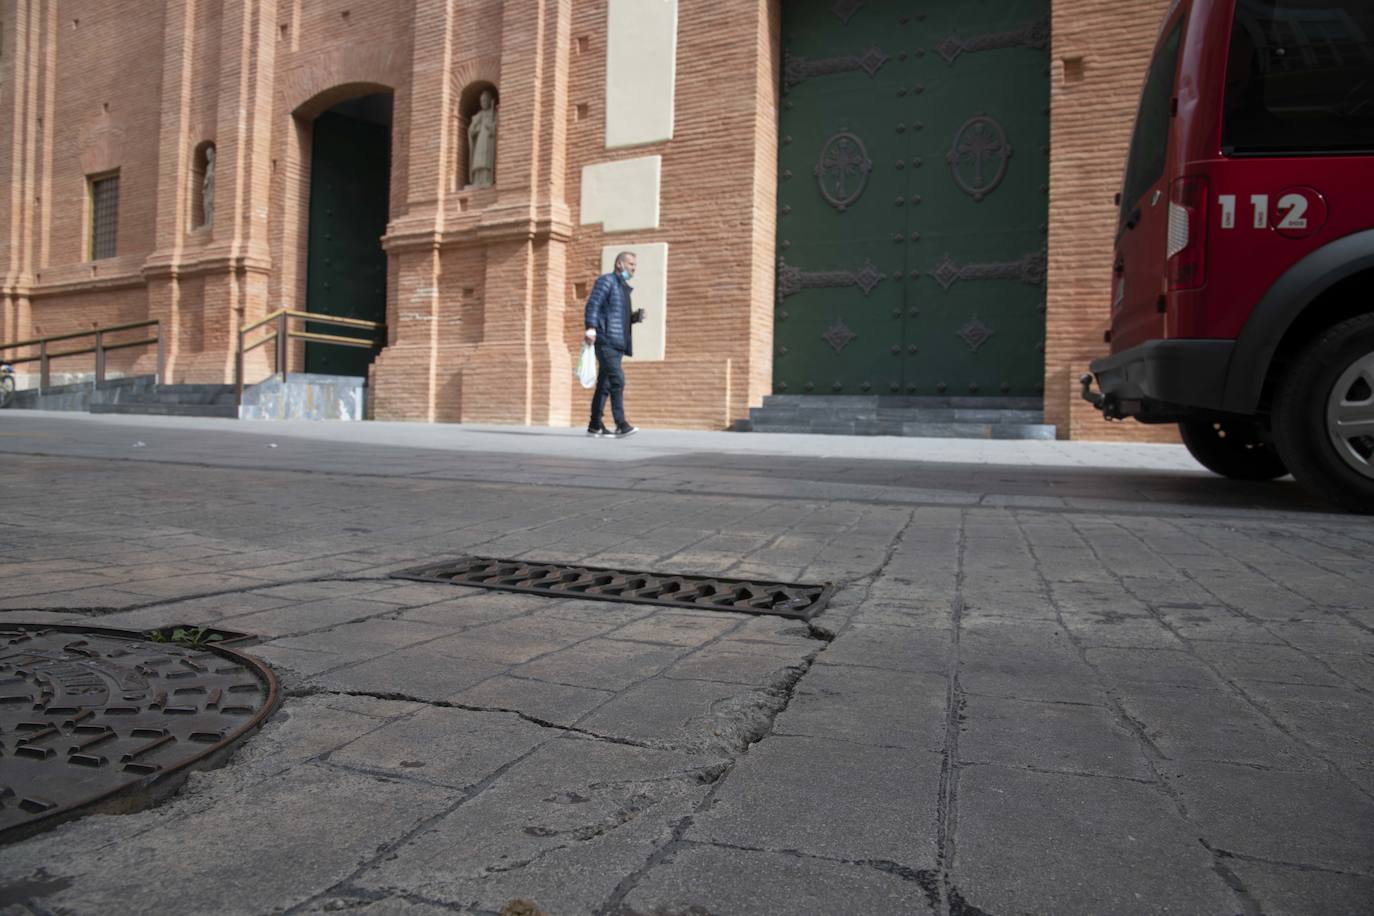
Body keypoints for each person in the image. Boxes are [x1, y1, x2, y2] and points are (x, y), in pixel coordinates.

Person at [583, 251, 644, 438]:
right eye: (631, 264)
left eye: (635, 265)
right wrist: (591, 328)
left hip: (617, 343)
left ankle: (595, 424)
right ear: (619, 264)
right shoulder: (606, 281)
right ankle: (621, 424)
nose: (634, 268)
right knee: (618, 379)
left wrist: (634, 317)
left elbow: (616, 316)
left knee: (605, 384)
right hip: (606, 340)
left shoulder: (623, 287)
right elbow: (593, 304)